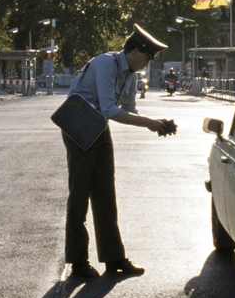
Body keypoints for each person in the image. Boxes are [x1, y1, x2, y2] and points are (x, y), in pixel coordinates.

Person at [63, 24, 174, 280]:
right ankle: (78, 262)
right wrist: (148, 123)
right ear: (135, 51)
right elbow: (110, 109)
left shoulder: (130, 74)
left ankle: (114, 258)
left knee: (105, 192)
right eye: (147, 58)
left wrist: (158, 122)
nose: (147, 64)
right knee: (79, 194)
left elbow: (130, 110)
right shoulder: (106, 63)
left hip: (97, 126)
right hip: (78, 123)